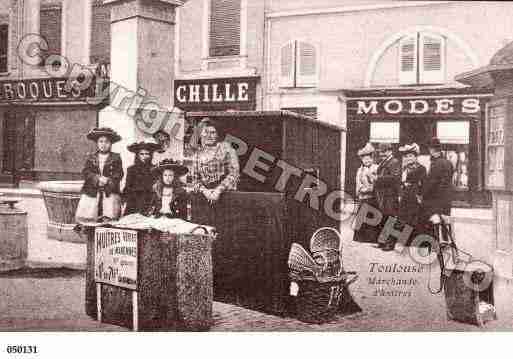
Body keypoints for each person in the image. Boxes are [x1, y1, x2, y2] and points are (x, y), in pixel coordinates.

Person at [75, 127, 124, 222]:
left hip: (109, 191)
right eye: (101, 141)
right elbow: (86, 172)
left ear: (111, 144)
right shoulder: (91, 157)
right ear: (97, 143)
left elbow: (119, 173)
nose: (103, 144)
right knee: (89, 216)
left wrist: (108, 180)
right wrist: (97, 178)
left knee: (109, 215)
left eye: (106, 142)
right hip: (92, 190)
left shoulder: (116, 157)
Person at [193, 118, 240, 204]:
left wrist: (218, 191)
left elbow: (234, 174)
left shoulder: (227, 149)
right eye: (206, 132)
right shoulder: (198, 154)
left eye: (212, 132)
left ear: (217, 134)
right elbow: (195, 179)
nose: (209, 136)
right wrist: (205, 191)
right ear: (201, 135)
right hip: (205, 197)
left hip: (226, 196)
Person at [397, 143, 427, 244]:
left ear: (415, 157)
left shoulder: (421, 168)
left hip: (415, 194)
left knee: (414, 218)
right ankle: (403, 241)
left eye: (411, 156)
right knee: (403, 217)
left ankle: (415, 242)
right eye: (407, 156)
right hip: (405, 194)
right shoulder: (404, 168)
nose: (409, 158)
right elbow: (400, 182)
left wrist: (420, 196)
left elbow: (423, 184)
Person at [122, 139, 162, 215]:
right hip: (134, 201)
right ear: (137, 155)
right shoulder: (131, 169)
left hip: (149, 201)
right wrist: (125, 199)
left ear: (151, 155)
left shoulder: (155, 169)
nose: (144, 156)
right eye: (141, 154)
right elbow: (127, 187)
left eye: (147, 154)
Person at [374, 142, 401, 251]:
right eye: (381, 152)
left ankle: (390, 244)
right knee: (385, 218)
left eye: (384, 152)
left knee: (391, 219)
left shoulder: (394, 162)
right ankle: (383, 241)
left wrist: (378, 178)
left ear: (390, 151)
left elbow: (395, 178)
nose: (382, 154)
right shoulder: (384, 162)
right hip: (383, 195)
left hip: (390, 195)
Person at [422, 137, 454, 222]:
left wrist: (422, 194)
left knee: (432, 225)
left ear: (431, 150)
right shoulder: (448, 163)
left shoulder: (435, 164)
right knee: (445, 227)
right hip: (447, 202)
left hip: (435, 203)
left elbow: (431, 184)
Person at [353, 143, 379, 243]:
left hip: (373, 197)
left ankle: (372, 238)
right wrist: (360, 190)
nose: (367, 161)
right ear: (361, 160)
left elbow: (376, 182)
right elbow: (357, 182)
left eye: (369, 159)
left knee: (372, 216)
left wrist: (371, 188)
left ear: (372, 159)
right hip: (363, 196)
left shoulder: (376, 168)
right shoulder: (360, 170)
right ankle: (361, 237)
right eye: (365, 159)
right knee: (362, 215)